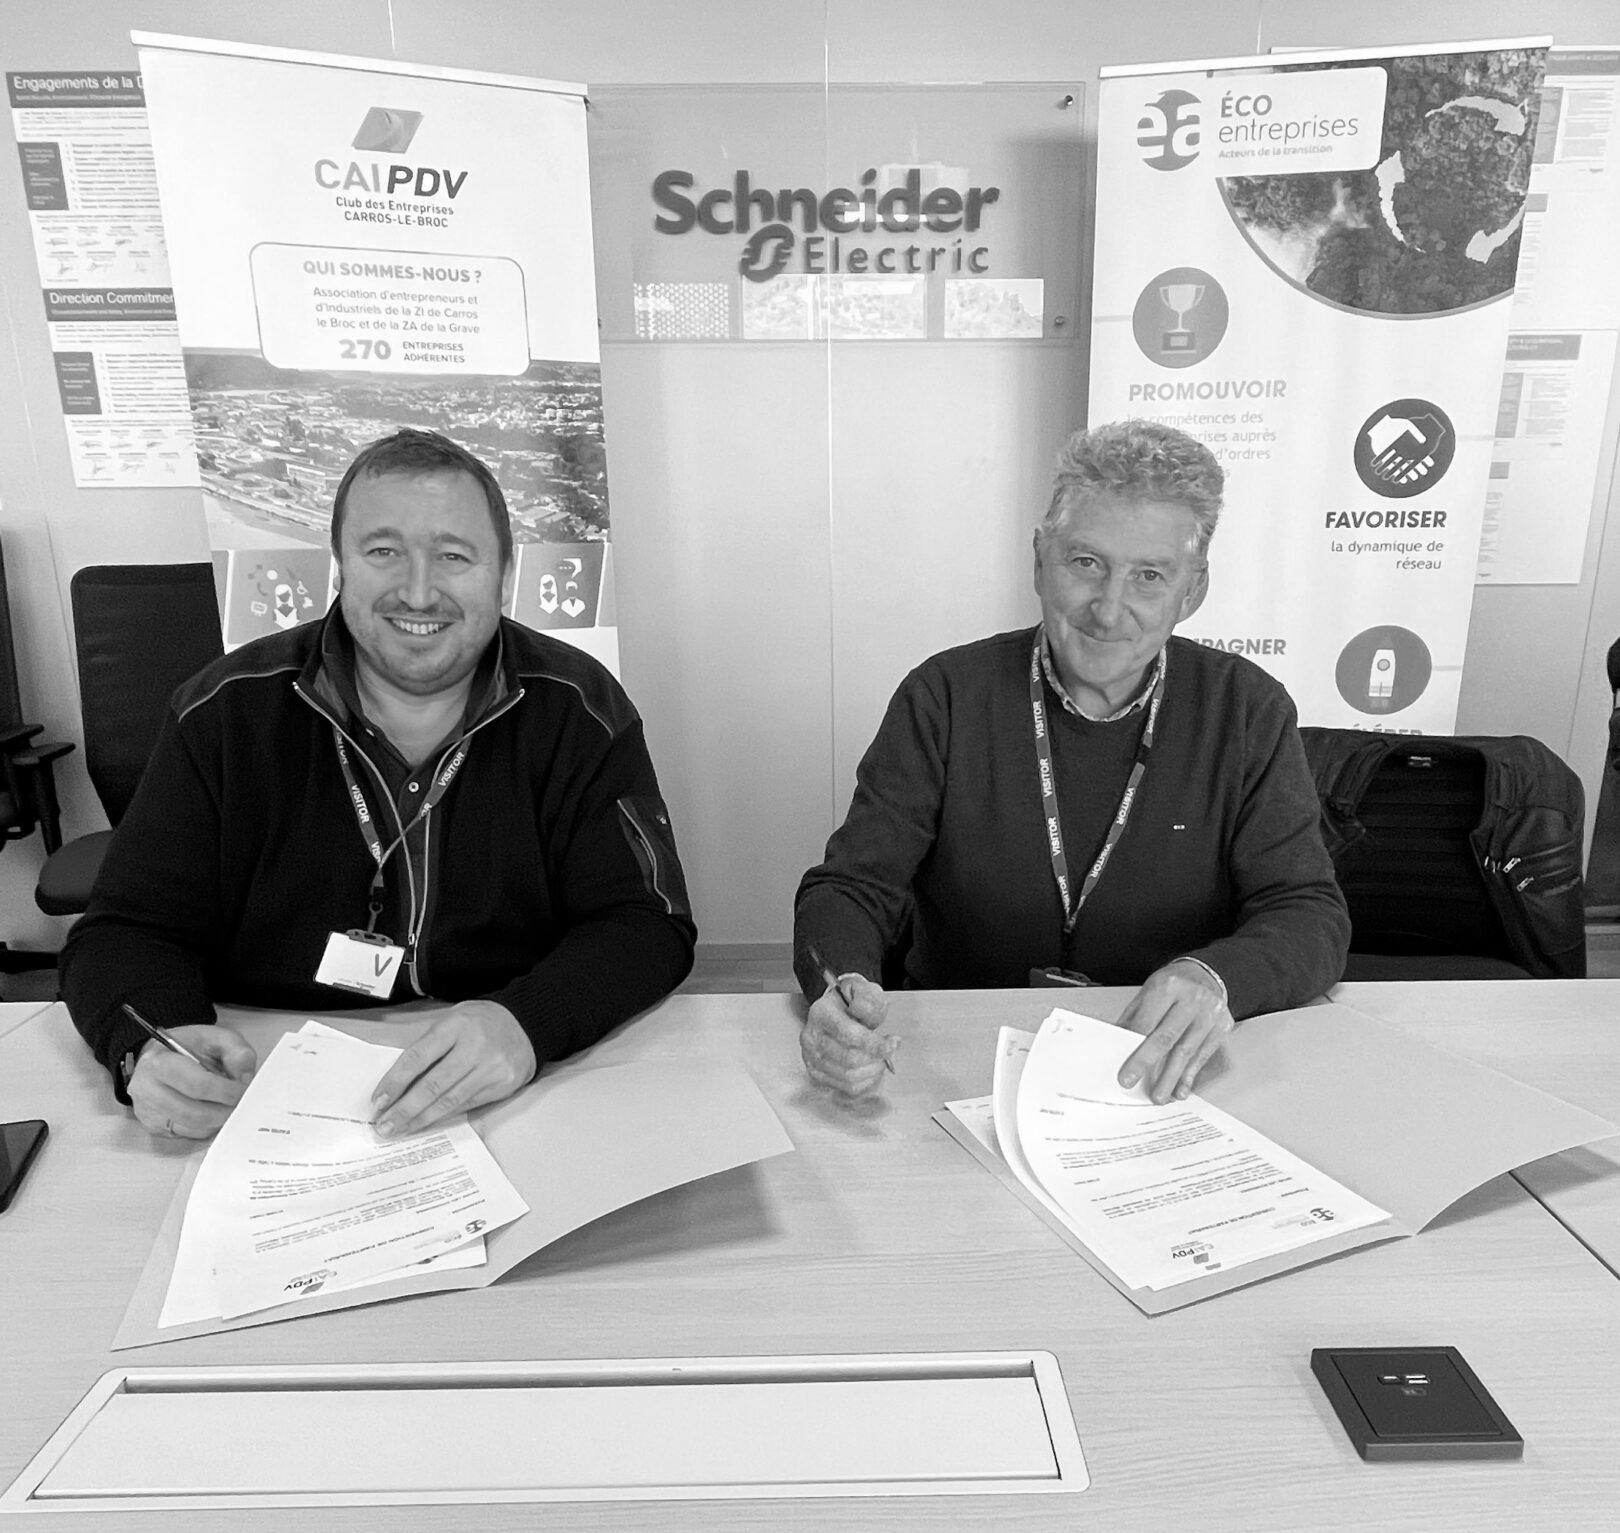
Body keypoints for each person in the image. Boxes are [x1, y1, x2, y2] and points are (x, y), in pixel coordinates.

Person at [62, 428, 695, 1140]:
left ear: (505, 573)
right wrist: (151, 1045)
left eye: (454, 555)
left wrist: (528, 1023)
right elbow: (123, 931)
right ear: (339, 566)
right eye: (383, 551)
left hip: (506, 1089)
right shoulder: (223, 713)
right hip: (267, 1092)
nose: (418, 591)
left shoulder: (580, 710)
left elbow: (647, 923)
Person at [794, 419, 1348, 1103]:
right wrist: (840, 988)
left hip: (1162, 1074)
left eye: (1149, 576)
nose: (1109, 610)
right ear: (1039, 560)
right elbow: (851, 887)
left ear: (1193, 590)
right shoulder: (944, 696)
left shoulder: (1247, 710)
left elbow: (1308, 912)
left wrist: (1216, 978)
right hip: (955, 1063)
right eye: (1086, 562)